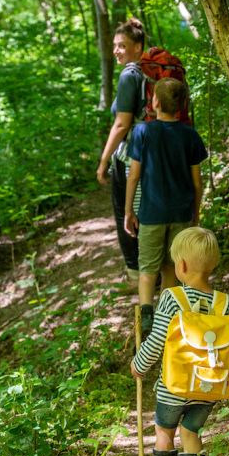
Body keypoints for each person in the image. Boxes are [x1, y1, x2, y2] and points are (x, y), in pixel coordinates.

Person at [131, 227, 229, 456]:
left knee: (164, 432)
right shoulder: (223, 303)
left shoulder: (172, 298)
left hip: (175, 386)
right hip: (210, 387)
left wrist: (139, 364)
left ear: (180, 265)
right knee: (191, 433)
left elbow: (157, 340)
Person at [124, 77, 207, 333]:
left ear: (155, 101)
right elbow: (196, 184)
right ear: (182, 105)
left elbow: (134, 176)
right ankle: (166, 319)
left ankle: (146, 317)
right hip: (180, 214)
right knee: (171, 267)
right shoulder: (190, 134)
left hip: (151, 214)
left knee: (147, 270)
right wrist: (195, 217)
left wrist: (128, 211)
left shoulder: (142, 131)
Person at [97, 18, 146, 291]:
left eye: (122, 45)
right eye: (114, 46)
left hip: (129, 157)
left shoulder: (129, 75)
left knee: (125, 215)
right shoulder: (148, 73)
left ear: (137, 47)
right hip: (151, 152)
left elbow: (121, 124)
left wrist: (104, 160)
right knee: (143, 213)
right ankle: (153, 271)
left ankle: (136, 276)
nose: (116, 50)